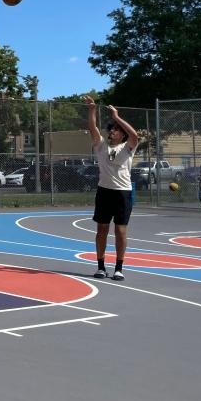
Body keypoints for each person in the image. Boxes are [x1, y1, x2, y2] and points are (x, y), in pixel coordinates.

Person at [84, 96, 140, 280]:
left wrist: (117, 117)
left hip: (123, 193)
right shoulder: (101, 146)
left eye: (116, 130)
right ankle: (101, 266)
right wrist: (92, 109)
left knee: (120, 231)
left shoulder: (128, 147)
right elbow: (92, 128)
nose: (112, 131)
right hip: (104, 192)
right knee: (101, 230)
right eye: (111, 129)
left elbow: (135, 135)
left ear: (122, 134)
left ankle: (119, 268)